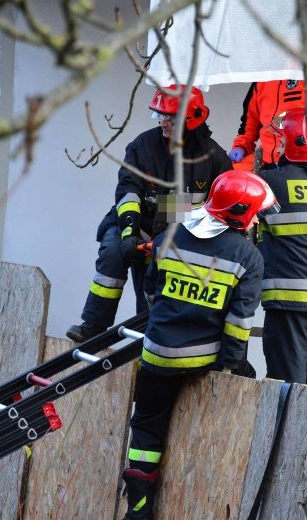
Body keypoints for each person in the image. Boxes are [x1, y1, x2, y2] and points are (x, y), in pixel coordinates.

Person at [121, 170, 278, 520]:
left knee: (146, 427)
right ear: (240, 214)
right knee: (246, 380)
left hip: (157, 353)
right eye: (254, 214)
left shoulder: (168, 235)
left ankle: (138, 509)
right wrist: (229, 366)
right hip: (202, 360)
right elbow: (238, 324)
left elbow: (149, 292)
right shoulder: (248, 258)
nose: (256, 221)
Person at [66, 85, 232, 343]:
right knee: (112, 251)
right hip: (136, 218)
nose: (163, 122)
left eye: (169, 117)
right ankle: (94, 327)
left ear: (191, 118)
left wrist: (168, 235)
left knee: (158, 281)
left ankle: (150, 335)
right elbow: (128, 190)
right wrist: (130, 232)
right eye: (159, 116)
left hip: (179, 229)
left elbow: (217, 208)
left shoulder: (214, 158)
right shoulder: (143, 146)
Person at [256, 108, 307, 388]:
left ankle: (282, 435)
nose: (279, 146)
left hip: (288, 301)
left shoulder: (271, 182)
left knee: (285, 385)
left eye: (283, 142)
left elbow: (225, 210)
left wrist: (165, 210)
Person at [227, 79, 306, 172]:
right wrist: (240, 146)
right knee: (230, 176)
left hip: (297, 159)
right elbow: (248, 124)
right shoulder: (262, 80)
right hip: (264, 159)